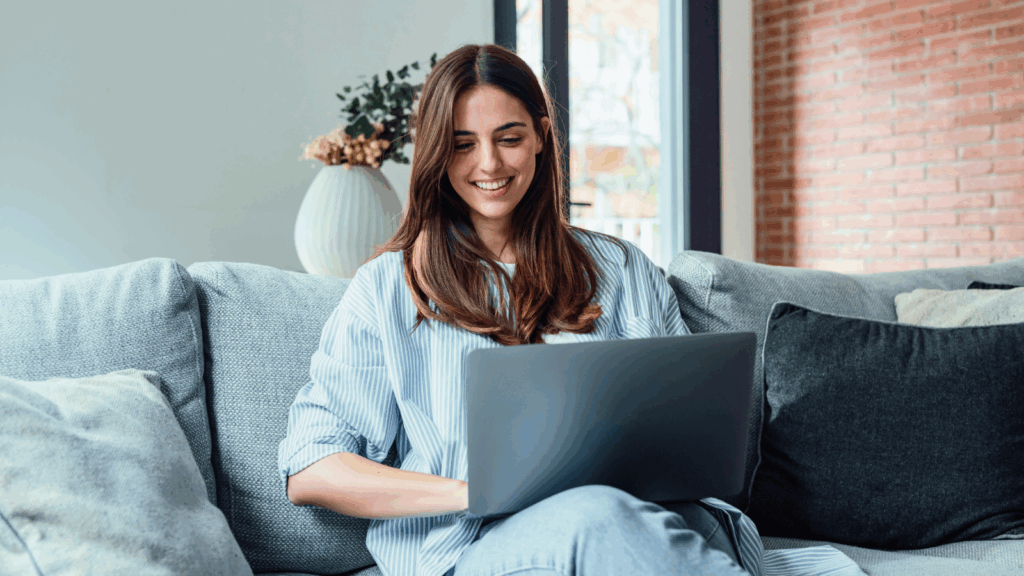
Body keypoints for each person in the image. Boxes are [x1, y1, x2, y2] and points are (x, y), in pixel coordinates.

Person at [279, 44, 863, 576]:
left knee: (654, 521)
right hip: (475, 546)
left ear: (539, 135)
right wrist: (473, 490)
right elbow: (313, 469)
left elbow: (688, 431)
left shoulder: (622, 268)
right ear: (436, 153)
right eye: (462, 144)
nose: (489, 163)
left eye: (508, 137)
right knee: (596, 515)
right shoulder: (388, 287)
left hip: (650, 522)